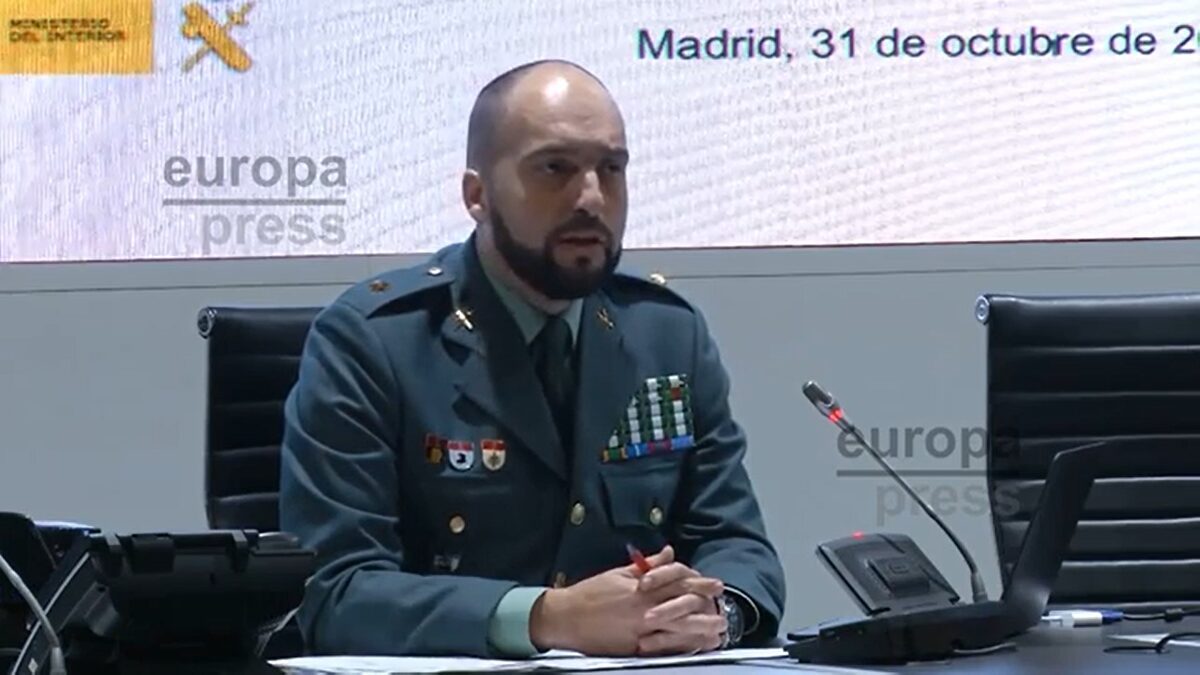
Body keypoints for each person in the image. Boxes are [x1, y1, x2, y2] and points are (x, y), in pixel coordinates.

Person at [278, 59, 786, 658]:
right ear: (477, 195)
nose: (592, 198)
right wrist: (546, 618)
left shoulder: (667, 335)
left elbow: (737, 545)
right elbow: (336, 592)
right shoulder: (376, 341)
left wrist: (715, 614)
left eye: (611, 169)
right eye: (555, 168)